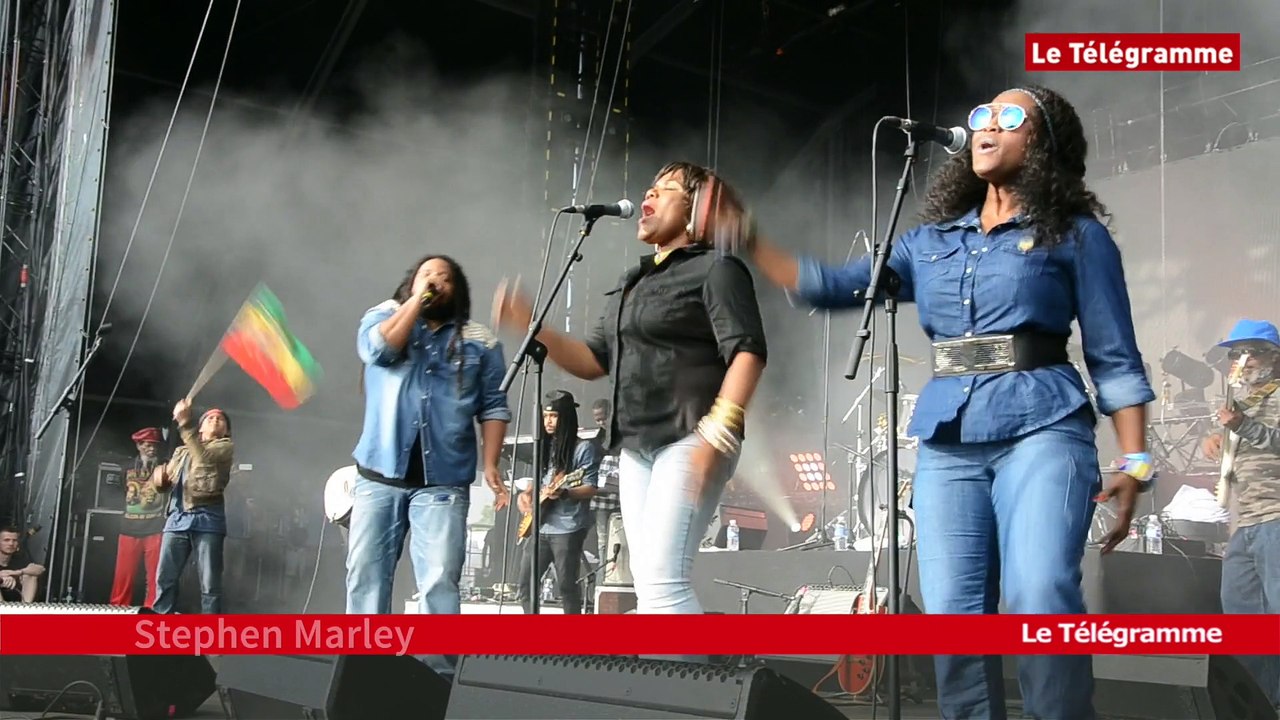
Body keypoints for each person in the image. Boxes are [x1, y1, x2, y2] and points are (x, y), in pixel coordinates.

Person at [743, 86, 1154, 718]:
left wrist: (1135, 463)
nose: (988, 125)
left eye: (1009, 117)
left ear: (1041, 143)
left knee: (1038, 594)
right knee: (953, 617)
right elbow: (830, 285)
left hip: (1041, 426)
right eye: (981, 116)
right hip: (948, 441)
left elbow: (1116, 358)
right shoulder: (927, 243)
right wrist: (745, 236)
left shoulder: (1076, 235)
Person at [493, 161, 768, 632]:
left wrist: (715, 437)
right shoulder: (629, 283)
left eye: (667, 190)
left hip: (692, 436)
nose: (650, 195)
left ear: (695, 210)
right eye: (650, 188)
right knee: (649, 582)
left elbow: (748, 351)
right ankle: (669, 690)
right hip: (638, 446)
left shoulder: (717, 269)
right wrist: (532, 325)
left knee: (664, 583)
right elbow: (592, 360)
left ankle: (687, 696)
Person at [348, 255, 510, 633]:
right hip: (378, 477)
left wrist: (490, 464)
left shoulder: (480, 340)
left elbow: (494, 406)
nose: (436, 280)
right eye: (426, 274)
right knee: (366, 577)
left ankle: (438, 677)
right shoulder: (385, 315)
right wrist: (414, 302)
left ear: (459, 290)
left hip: (443, 483)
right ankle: (360, 668)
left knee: (438, 583)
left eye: (445, 277)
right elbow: (378, 352)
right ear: (411, 282)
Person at [1202, 319, 1280, 708]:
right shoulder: (1245, 401)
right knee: (1242, 619)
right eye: (1235, 354)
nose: (1241, 361)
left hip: (1277, 517)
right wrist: (1218, 440)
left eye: (1249, 351)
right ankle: (1261, 703)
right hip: (1246, 521)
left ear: (1273, 355)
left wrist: (1243, 427)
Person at [517, 390, 599, 614]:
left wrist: (565, 493)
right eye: (545, 416)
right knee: (526, 585)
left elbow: (591, 487)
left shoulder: (583, 448)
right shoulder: (545, 446)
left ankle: (572, 644)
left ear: (566, 418)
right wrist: (525, 495)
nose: (548, 421)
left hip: (567, 527)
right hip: (540, 525)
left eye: (553, 416)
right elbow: (540, 481)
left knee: (566, 586)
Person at [152, 401, 234, 614]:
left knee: (209, 584)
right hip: (177, 518)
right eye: (210, 418)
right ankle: (158, 631)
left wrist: (184, 422)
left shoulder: (224, 447)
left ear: (226, 430)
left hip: (208, 520)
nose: (215, 420)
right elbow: (165, 483)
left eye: (220, 419)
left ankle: (209, 640)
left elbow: (203, 460)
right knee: (165, 578)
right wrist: (160, 480)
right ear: (201, 427)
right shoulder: (181, 451)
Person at [110, 427, 169, 607]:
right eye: (147, 445)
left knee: (155, 575)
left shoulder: (166, 466)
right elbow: (120, 490)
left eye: (155, 446)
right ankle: (118, 609)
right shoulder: (126, 467)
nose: (151, 449)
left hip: (156, 526)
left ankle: (153, 609)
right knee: (123, 574)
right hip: (129, 527)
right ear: (139, 445)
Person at [588, 398, 622, 571]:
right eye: (597, 419)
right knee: (602, 539)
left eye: (604, 417)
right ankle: (603, 578)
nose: (601, 422)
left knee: (621, 536)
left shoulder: (623, 434)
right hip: (602, 497)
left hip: (623, 496)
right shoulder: (596, 440)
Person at [0, 525, 45, 603]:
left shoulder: (20, 558)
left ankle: (24, 610)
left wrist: (17, 572)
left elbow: (40, 569)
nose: (11, 543)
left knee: (30, 574)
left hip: (16, 601)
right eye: (6, 540)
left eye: (14, 540)